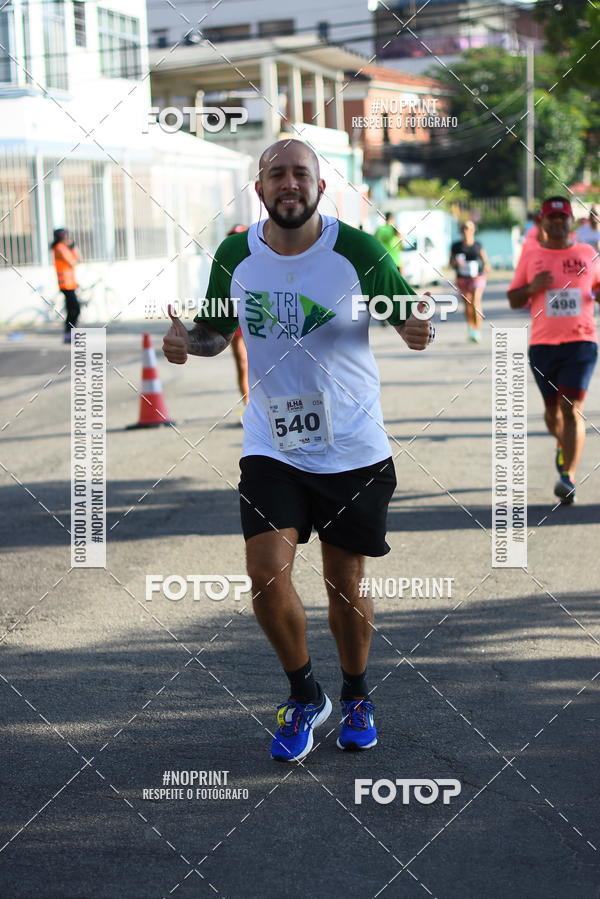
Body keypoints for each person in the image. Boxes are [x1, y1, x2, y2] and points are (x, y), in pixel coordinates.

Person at [163, 139, 433, 762]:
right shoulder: (236, 253)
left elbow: (404, 318)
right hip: (271, 445)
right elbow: (214, 332)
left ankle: (357, 692)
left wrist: (419, 328)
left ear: (320, 186)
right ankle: (304, 693)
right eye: (277, 174)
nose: (290, 183)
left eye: (301, 174)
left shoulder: (358, 249)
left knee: (345, 581)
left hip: (352, 447)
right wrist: (188, 344)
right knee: (265, 572)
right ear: (260, 188)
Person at [507, 196, 600, 504]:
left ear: (571, 221)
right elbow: (514, 299)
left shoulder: (588, 253)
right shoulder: (531, 254)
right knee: (552, 412)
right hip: (543, 345)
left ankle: (568, 478)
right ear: (542, 222)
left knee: (571, 408)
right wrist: (533, 287)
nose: (558, 223)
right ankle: (564, 444)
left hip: (582, 342)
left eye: (563, 218)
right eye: (552, 218)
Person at [450, 220, 491, 343]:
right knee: (468, 304)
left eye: (469, 228)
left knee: (476, 301)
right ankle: (471, 328)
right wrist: (456, 263)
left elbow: (485, 261)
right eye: (464, 228)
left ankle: (477, 330)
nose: (466, 231)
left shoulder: (478, 245)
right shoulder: (456, 246)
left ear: (473, 230)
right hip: (462, 278)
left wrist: (486, 266)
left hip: (477, 277)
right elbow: (450, 262)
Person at [227, 225, 250, 410]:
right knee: (242, 364)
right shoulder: (225, 264)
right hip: (237, 321)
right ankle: (248, 407)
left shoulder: (261, 261)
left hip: (259, 320)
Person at [51, 228, 81, 344]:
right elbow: (73, 262)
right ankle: (69, 334)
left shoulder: (63, 247)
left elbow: (78, 260)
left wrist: (72, 247)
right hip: (65, 285)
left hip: (70, 284)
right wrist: (73, 247)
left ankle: (69, 335)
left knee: (72, 309)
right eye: (65, 236)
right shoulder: (60, 247)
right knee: (75, 309)